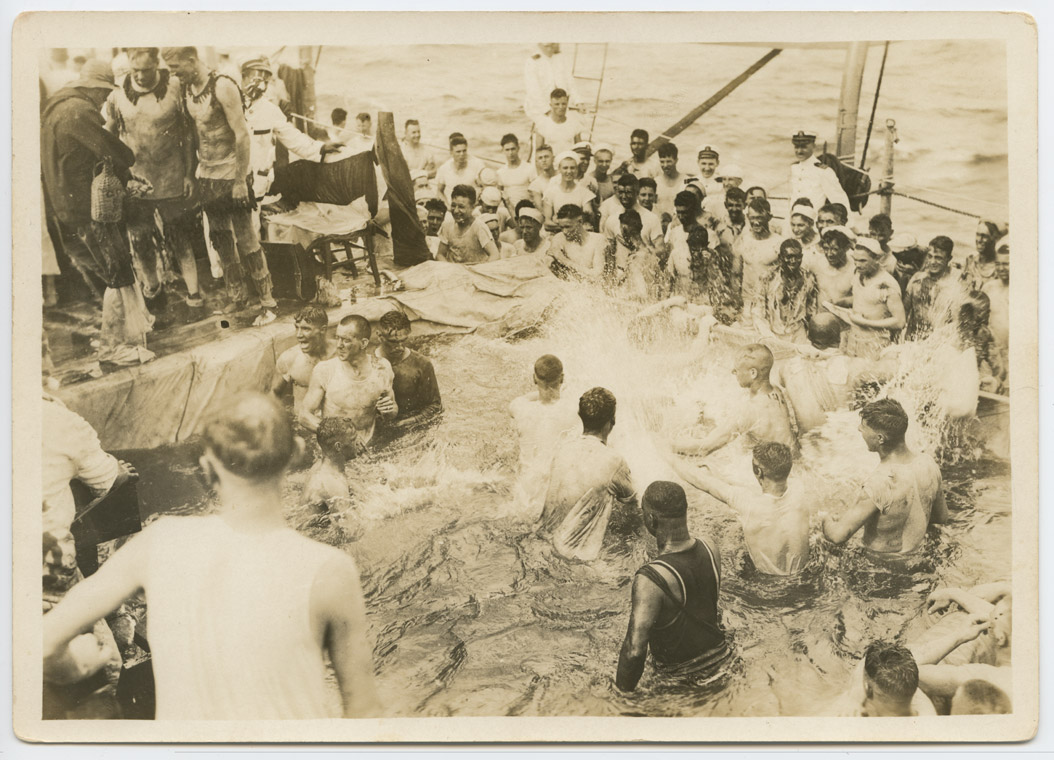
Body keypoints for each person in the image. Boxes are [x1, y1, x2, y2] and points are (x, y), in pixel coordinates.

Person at [43, 393, 381, 719]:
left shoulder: (157, 543)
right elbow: (364, 712)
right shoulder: (332, 570)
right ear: (296, 453)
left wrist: (79, 663)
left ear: (206, 466)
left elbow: (41, 643)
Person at [41, 58, 158, 364]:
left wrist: (126, 176)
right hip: (89, 209)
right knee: (116, 272)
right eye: (103, 92)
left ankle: (123, 331)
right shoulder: (79, 112)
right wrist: (128, 168)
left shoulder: (56, 109)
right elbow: (118, 152)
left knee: (107, 271)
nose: (105, 98)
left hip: (64, 207)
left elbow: (83, 156)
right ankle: (114, 346)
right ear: (91, 88)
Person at [162, 47, 277, 322]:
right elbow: (192, 136)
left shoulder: (223, 86)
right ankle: (237, 298)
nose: (174, 74)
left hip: (231, 174)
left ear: (192, 60)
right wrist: (191, 174)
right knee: (220, 239)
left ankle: (268, 302)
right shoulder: (187, 90)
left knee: (246, 238)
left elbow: (242, 135)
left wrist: (239, 181)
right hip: (208, 176)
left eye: (177, 67)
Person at [103, 47, 203, 315]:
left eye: (146, 71)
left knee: (179, 236)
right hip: (137, 182)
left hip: (172, 177)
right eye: (136, 71)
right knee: (141, 239)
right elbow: (109, 134)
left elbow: (189, 133)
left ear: (157, 66)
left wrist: (188, 174)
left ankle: (194, 292)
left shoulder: (175, 87)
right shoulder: (117, 94)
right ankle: (153, 291)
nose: (141, 76)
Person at [615, 481, 728, 691]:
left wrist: (621, 698)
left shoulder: (651, 579)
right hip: (725, 663)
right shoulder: (710, 547)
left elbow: (634, 651)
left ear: (650, 518)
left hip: (682, 683)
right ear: (686, 511)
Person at [822, 398, 948, 554]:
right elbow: (941, 517)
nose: (859, 429)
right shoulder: (928, 464)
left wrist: (824, 518)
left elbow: (837, 536)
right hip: (917, 557)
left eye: (864, 427)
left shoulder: (880, 482)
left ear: (880, 438)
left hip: (882, 565)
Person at [671, 442, 809, 576]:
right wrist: (720, 477)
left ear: (758, 471)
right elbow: (763, 490)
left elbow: (701, 481)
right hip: (801, 578)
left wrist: (663, 453)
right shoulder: (799, 489)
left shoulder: (747, 503)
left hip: (768, 586)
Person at [539, 387, 637, 562]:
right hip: (576, 559)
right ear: (611, 421)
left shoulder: (562, 449)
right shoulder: (614, 461)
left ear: (580, 415)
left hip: (542, 543)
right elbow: (632, 510)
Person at [240, 56, 339, 210]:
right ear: (244, 76)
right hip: (229, 180)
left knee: (252, 225)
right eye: (257, 78)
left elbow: (293, 137)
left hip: (255, 186)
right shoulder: (228, 104)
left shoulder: (270, 110)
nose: (262, 85)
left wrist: (320, 148)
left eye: (266, 82)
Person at [675, 344, 797, 457]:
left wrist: (668, 445)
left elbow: (704, 448)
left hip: (766, 469)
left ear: (753, 373)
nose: (733, 371)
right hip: (788, 461)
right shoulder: (776, 391)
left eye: (737, 369)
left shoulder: (749, 410)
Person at [300, 315, 398, 447]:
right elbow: (304, 415)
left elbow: (392, 412)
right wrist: (340, 438)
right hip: (335, 445)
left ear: (363, 343)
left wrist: (390, 410)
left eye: (346, 340)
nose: (339, 345)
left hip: (369, 442)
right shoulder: (325, 370)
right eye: (337, 338)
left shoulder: (381, 368)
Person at [509, 354, 581, 516]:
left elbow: (524, 399)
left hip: (525, 496)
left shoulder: (519, 408)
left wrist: (543, 389)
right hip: (558, 495)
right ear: (562, 378)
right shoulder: (574, 410)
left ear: (534, 379)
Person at [824, 237, 906, 361]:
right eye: (855, 260)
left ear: (877, 259)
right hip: (854, 338)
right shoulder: (858, 273)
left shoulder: (886, 284)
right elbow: (862, 299)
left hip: (875, 343)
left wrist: (865, 323)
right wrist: (840, 302)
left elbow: (900, 321)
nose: (857, 264)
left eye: (863, 261)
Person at [830, 641, 937, 717]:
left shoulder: (849, 711)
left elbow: (865, 663)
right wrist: (855, 694)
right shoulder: (911, 691)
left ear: (867, 686)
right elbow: (865, 662)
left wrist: (855, 694)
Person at [272, 305, 335, 416]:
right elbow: (274, 393)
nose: (299, 334)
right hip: (303, 428)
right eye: (297, 327)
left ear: (323, 330)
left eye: (306, 329)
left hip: (335, 425)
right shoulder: (289, 359)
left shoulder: (339, 355)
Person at [754, 239, 819, 344]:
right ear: (780, 258)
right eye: (789, 257)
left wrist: (809, 336)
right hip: (772, 333)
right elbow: (757, 310)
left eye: (797, 257)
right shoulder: (767, 277)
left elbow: (811, 310)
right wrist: (767, 336)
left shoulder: (808, 278)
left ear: (801, 258)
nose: (793, 261)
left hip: (798, 334)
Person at [904, 236, 963, 340]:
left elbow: (956, 324)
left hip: (938, 343)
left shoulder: (954, 286)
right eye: (930, 256)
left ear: (949, 259)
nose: (932, 262)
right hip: (912, 340)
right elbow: (904, 311)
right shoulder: (917, 279)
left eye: (938, 258)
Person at [734, 197, 782, 316]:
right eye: (753, 218)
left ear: (769, 217)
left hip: (771, 304)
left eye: (760, 217)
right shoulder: (743, 240)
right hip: (748, 302)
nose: (756, 222)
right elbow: (735, 274)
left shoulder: (779, 242)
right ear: (748, 217)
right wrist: (736, 301)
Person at [303, 416, 360, 516]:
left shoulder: (319, 466)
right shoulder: (333, 484)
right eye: (353, 440)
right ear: (338, 446)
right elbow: (350, 528)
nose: (358, 443)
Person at [605, 209, 665, 301]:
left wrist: (617, 297)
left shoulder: (637, 259)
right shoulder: (649, 252)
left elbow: (641, 294)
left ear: (624, 230)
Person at [789, 130, 851, 214]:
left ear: (813, 146)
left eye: (804, 147)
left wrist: (849, 225)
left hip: (813, 223)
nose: (799, 151)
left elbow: (839, 201)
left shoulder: (823, 172)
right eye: (796, 147)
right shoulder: (794, 169)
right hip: (793, 222)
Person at [436, 185, 500, 264]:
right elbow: (440, 254)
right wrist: (449, 268)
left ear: (472, 207)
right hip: (453, 272)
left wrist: (480, 269)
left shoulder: (479, 227)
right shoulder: (447, 225)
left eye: (461, 207)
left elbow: (495, 255)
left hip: (474, 272)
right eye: (453, 206)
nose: (456, 211)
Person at [599, 173, 663, 247]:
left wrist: (641, 247)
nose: (624, 197)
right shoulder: (611, 219)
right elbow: (609, 251)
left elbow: (661, 250)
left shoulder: (652, 218)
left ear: (637, 192)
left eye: (628, 192)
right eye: (621, 192)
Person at [548, 204, 606, 282]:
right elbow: (547, 266)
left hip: (591, 288)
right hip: (565, 286)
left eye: (568, 227)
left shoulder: (598, 239)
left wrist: (563, 260)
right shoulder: (558, 238)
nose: (564, 232)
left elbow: (597, 276)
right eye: (561, 227)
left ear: (580, 221)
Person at [523, 43, 579, 123]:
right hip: (538, 106)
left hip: (560, 104)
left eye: (552, 45)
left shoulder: (560, 58)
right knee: (548, 126)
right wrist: (547, 110)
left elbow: (570, 81)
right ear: (540, 45)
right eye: (546, 46)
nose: (549, 49)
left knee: (576, 122)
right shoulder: (532, 61)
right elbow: (534, 90)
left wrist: (578, 102)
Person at [542, 150, 596, 231]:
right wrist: (568, 227)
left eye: (572, 168)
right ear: (559, 169)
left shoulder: (584, 193)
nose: (569, 171)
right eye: (565, 168)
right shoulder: (550, 192)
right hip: (556, 233)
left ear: (577, 169)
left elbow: (587, 220)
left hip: (578, 235)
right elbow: (547, 223)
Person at [981, 237, 1009, 387]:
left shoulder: (1023, 292)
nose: (1001, 268)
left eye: (1006, 264)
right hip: (991, 352)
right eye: (998, 264)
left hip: (1010, 354)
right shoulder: (989, 287)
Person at [807, 225, 856, 307]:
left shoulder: (855, 269)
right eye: (826, 248)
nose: (829, 254)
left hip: (843, 316)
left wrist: (842, 302)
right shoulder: (816, 265)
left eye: (835, 249)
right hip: (820, 315)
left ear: (846, 248)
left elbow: (863, 299)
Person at [435, 134, 485, 205]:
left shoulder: (477, 165)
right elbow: (439, 191)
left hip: (473, 207)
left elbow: (484, 188)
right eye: (458, 152)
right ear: (451, 152)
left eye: (464, 151)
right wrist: (448, 207)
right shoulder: (444, 168)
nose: (462, 154)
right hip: (453, 208)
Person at [532, 88, 583, 156]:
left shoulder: (575, 124)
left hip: (569, 164)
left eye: (563, 104)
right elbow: (538, 154)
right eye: (557, 104)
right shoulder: (542, 125)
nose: (561, 107)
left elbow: (579, 150)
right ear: (551, 105)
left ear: (567, 104)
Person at [496, 133, 536, 211]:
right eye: (507, 150)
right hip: (508, 211)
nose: (510, 153)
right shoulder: (500, 172)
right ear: (502, 151)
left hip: (526, 209)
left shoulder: (529, 168)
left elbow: (536, 193)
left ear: (518, 148)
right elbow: (499, 195)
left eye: (513, 149)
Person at [961, 219, 1003, 292]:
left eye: (984, 236)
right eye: (977, 234)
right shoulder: (969, 262)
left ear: (995, 239)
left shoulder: (1000, 268)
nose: (979, 240)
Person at [654, 142, 683, 223]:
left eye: (669, 161)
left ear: (676, 160)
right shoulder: (655, 182)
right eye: (662, 162)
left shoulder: (685, 181)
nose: (665, 165)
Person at [527, 144, 556, 210]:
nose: (544, 160)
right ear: (536, 162)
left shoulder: (562, 176)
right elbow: (540, 208)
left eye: (546, 157)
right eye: (540, 158)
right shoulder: (535, 185)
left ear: (553, 158)